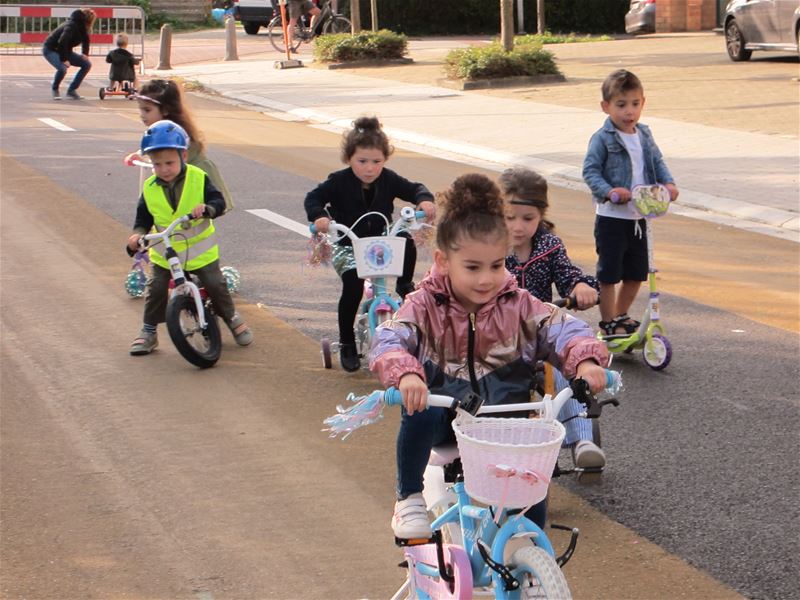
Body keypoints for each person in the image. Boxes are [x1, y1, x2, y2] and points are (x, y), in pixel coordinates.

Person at [369, 173, 610, 539]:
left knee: (531, 491)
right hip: (444, 421)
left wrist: (586, 359)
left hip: (503, 423)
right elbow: (390, 337)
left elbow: (562, 327)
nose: (486, 279)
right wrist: (406, 374)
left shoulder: (519, 305)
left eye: (497, 265)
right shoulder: (423, 306)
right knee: (420, 408)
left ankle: (529, 557)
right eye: (473, 267)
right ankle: (409, 498)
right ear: (443, 260)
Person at [304, 116, 435, 373]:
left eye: (377, 162)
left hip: (381, 242)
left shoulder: (388, 179)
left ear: (384, 161)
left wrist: (424, 200)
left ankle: (404, 283)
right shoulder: (338, 181)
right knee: (353, 284)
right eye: (362, 161)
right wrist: (320, 216)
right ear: (349, 159)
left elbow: (415, 188)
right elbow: (314, 197)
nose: (369, 168)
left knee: (405, 239)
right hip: (348, 245)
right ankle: (347, 342)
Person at [501, 166, 605, 469]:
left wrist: (581, 287)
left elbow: (567, 275)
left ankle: (582, 438)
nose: (518, 227)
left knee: (564, 369)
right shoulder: (490, 247)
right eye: (509, 218)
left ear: (541, 215)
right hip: (499, 336)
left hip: (542, 334)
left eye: (528, 219)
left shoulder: (548, 245)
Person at [126, 120, 253, 355]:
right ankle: (148, 331)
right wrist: (138, 236)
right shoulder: (150, 187)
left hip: (200, 252)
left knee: (215, 284)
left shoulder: (199, 177)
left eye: (169, 162)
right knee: (156, 288)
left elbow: (219, 201)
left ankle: (232, 319)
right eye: (157, 164)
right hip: (166, 253)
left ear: (183, 155)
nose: (163, 169)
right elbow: (142, 218)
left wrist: (207, 208)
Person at [582, 69, 679, 336]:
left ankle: (620, 316)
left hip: (640, 218)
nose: (629, 111)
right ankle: (609, 323)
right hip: (612, 217)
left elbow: (658, 163)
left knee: (637, 273)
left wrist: (669, 184)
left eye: (635, 104)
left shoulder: (645, 135)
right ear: (606, 106)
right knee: (610, 273)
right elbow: (590, 171)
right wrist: (610, 190)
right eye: (621, 105)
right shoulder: (602, 138)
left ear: (643, 103)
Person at [126, 79, 235, 214]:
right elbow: (156, 150)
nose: (142, 115)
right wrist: (141, 154)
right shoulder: (160, 130)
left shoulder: (176, 132)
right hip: (180, 181)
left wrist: (150, 161)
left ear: (165, 110)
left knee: (190, 218)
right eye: (141, 109)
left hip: (193, 181)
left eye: (147, 110)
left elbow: (169, 156)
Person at [42, 8, 96, 100]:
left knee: (86, 64)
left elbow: (86, 40)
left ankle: (72, 90)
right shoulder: (71, 26)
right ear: (88, 21)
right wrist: (64, 59)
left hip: (65, 50)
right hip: (50, 49)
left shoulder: (82, 27)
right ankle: (55, 89)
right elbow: (62, 42)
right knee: (62, 68)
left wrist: (85, 54)